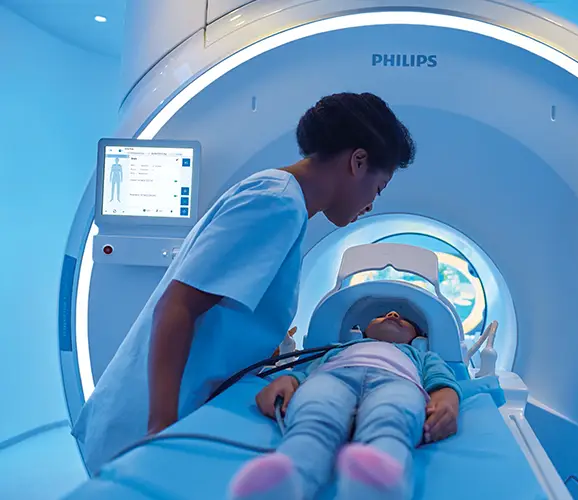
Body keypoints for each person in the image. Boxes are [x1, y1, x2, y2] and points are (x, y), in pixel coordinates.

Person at [71, 92, 416, 473]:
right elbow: (177, 306)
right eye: (378, 188)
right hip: (148, 419)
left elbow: (224, 311)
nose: (371, 204)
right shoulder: (277, 204)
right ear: (358, 161)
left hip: (172, 404)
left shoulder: (280, 197)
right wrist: (161, 428)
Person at [227, 311, 462, 500]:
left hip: (398, 381)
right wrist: (287, 380)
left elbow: (442, 379)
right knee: (315, 412)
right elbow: (307, 373)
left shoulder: (421, 355)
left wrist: (447, 398)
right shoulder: (338, 349)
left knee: (392, 415)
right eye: (382, 315)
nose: (392, 314)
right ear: (361, 332)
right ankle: (287, 476)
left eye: (404, 320)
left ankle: (379, 478)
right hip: (333, 376)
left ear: (418, 339)